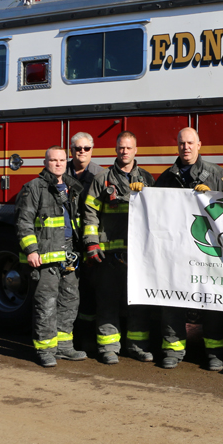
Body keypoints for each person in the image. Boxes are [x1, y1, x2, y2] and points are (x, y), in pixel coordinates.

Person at [154, 127, 223, 370]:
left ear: (199, 145)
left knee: (211, 298)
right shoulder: (168, 176)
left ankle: (215, 351)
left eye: (190, 143)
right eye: (182, 143)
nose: (186, 147)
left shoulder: (215, 173)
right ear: (177, 145)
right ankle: (173, 349)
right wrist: (141, 195)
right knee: (172, 297)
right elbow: (156, 209)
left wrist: (217, 194)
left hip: (206, 248)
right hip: (176, 249)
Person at [82, 131, 155, 365]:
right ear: (116, 150)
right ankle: (108, 347)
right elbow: (90, 214)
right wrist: (91, 243)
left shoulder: (147, 178)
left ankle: (137, 346)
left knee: (138, 302)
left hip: (138, 255)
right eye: (121, 147)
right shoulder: (102, 179)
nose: (124, 151)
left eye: (129, 147)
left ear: (136, 150)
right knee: (108, 301)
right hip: (109, 252)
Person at [16, 146, 87, 367]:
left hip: (69, 254)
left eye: (62, 160)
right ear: (45, 162)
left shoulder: (72, 187)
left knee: (69, 301)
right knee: (46, 303)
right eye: (53, 160)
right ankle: (45, 349)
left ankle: (64, 347)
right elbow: (23, 223)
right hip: (45, 256)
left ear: (67, 162)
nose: (58, 164)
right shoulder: (33, 188)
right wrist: (31, 251)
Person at [68, 132, 105, 352]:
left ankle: (87, 339)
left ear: (92, 149)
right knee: (68, 292)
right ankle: (67, 339)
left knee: (90, 293)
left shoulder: (101, 175)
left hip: (90, 243)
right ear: (70, 150)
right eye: (77, 148)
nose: (82, 152)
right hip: (67, 242)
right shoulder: (59, 173)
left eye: (86, 148)